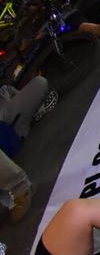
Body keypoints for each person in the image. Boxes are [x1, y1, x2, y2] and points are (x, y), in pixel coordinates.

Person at [0, 77, 56, 223]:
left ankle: (31, 116)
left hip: (9, 118)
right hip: (8, 138)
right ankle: (20, 188)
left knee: (40, 82)